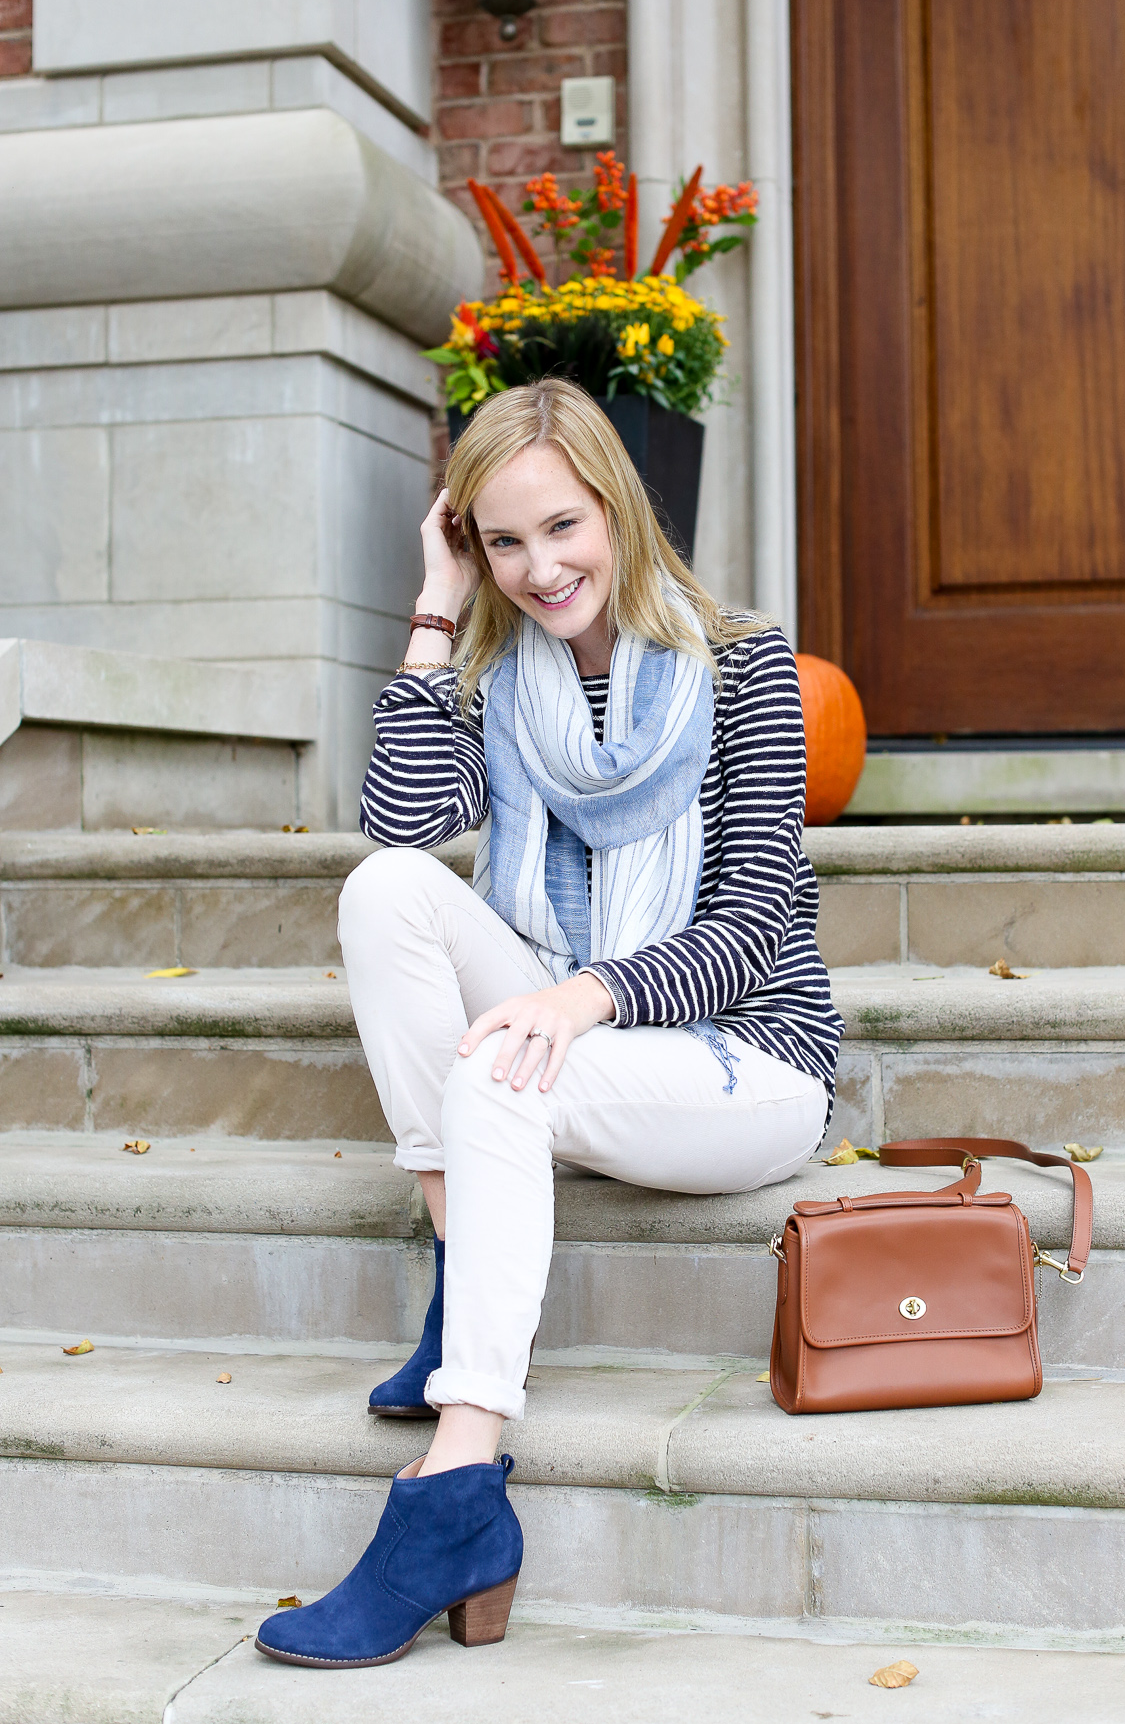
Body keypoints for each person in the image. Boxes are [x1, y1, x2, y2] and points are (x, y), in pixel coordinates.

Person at [255, 378, 843, 1669]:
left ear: (618, 510)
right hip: (571, 1018)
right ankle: (465, 1255)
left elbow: (752, 921)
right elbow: (403, 825)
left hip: (740, 1055)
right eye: (504, 540)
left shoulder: (744, 668)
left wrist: (587, 995)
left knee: (507, 1075)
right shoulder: (500, 673)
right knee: (389, 891)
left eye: (563, 527)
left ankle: (455, 1486)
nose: (540, 568)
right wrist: (434, 605)